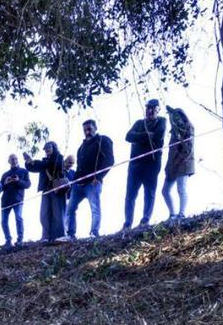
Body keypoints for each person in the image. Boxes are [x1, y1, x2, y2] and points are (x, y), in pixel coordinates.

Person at [66, 120, 115, 240]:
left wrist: (98, 177)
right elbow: (78, 168)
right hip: (78, 185)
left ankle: (94, 232)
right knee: (70, 209)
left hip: (93, 183)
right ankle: (70, 234)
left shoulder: (103, 140)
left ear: (95, 128)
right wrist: (73, 183)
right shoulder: (81, 148)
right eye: (85, 130)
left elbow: (109, 160)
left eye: (89, 129)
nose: (87, 132)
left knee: (95, 208)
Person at [124, 99, 167, 230]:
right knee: (130, 194)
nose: (149, 111)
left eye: (153, 108)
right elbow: (128, 136)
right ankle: (127, 223)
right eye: (148, 108)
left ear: (158, 110)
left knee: (149, 192)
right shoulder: (139, 123)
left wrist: (139, 136)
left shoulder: (162, 121)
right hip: (135, 164)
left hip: (152, 164)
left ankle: (145, 219)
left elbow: (158, 136)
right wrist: (146, 134)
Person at [24, 142, 68, 243]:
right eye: (45, 148)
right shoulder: (44, 161)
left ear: (54, 147)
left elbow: (49, 164)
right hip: (46, 189)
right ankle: (46, 237)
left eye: (49, 147)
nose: (46, 150)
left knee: (58, 213)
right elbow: (34, 168)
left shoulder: (58, 157)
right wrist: (28, 162)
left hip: (57, 188)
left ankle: (60, 235)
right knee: (44, 214)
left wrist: (34, 162)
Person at [162, 106, 195, 221]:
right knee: (165, 191)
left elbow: (188, 148)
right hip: (172, 165)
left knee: (181, 188)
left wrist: (181, 160)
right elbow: (171, 151)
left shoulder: (188, 128)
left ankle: (182, 213)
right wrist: (168, 166)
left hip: (184, 163)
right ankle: (172, 214)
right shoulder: (173, 133)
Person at [0, 154, 31, 248]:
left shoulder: (24, 171)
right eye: (12, 159)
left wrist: (18, 181)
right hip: (5, 201)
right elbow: (0, 189)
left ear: (18, 160)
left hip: (18, 199)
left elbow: (28, 184)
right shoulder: (5, 174)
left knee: (19, 218)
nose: (14, 160)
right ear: (8, 161)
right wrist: (5, 183)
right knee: (3, 221)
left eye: (15, 158)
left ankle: (20, 240)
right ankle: (8, 241)